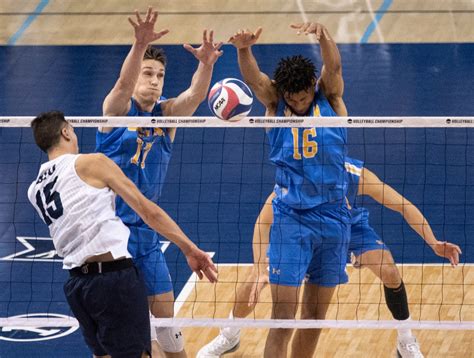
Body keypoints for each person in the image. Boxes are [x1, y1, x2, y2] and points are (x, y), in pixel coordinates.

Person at [197, 157, 462, 358]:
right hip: (300, 228)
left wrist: (434, 243)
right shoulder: (295, 178)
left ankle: (406, 340)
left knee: (390, 271)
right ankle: (229, 334)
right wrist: (259, 268)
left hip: (350, 227)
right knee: (255, 283)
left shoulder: (354, 175)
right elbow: (262, 223)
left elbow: (402, 205)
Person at [27, 111, 217, 358]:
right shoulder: (90, 162)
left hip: (77, 287)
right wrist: (189, 248)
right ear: (65, 132)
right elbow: (147, 210)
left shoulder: (35, 190)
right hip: (113, 280)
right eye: (72, 130)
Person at [95, 7, 223, 357]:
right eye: (147, 73)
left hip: (148, 235)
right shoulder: (116, 111)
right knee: (123, 334)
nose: (154, 80)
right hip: (111, 237)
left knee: (166, 322)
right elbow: (123, 84)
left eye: (160, 75)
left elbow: (193, 97)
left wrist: (206, 64)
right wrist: (139, 46)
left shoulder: (165, 117)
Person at [228, 22, 350, 358]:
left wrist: (323, 35)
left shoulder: (331, 99)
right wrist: (243, 49)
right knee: (282, 320)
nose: (297, 103)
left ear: (313, 87)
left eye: (304, 97)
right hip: (291, 221)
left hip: (334, 219)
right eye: (291, 98)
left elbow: (334, 67)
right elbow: (255, 80)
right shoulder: (275, 103)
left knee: (313, 319)